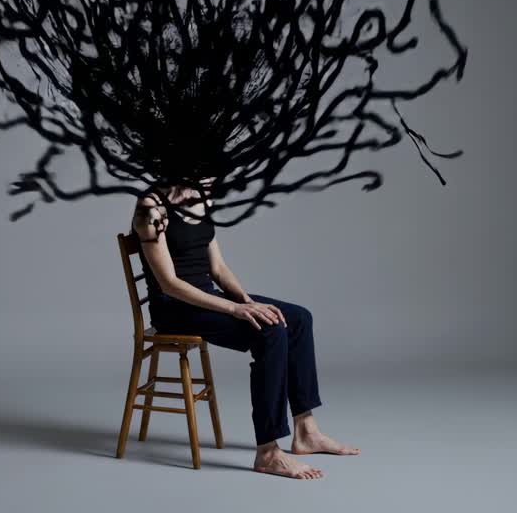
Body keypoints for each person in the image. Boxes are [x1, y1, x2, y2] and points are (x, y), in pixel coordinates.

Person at [130, 182, 360, 480]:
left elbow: (218, 268)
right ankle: (268, 452)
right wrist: (233, 309)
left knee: (298, 319)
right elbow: (169, 284)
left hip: (207, 297)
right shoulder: (150, 208)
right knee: (269, 331)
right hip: (175, 310)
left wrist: (247, 302)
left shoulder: (201, 198)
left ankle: (306, 431)